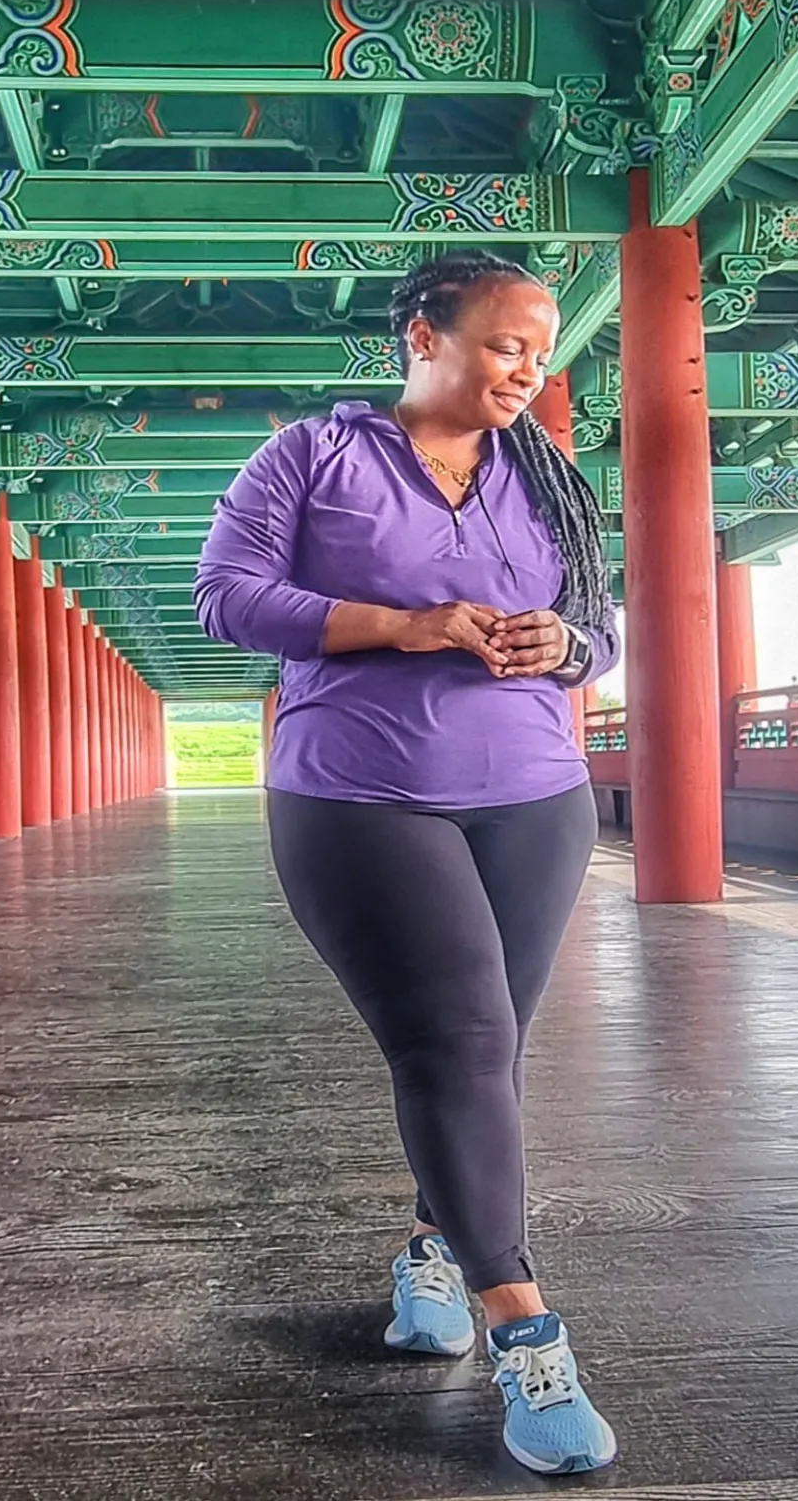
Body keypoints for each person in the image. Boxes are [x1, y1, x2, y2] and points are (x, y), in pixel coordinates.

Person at [194, 250, 620, 1477]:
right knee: (460, 1044)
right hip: (363, 794)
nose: (528, 370)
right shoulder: (313, 458)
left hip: (536, 795)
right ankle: (525, 1333)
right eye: (504, 344)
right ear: (422, 336)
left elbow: (603, 626)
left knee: (494, 1044)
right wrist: (404, 624)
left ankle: (437, 1246)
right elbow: (225, 597)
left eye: (540, 352)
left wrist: (567, 639)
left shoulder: (543, 474)